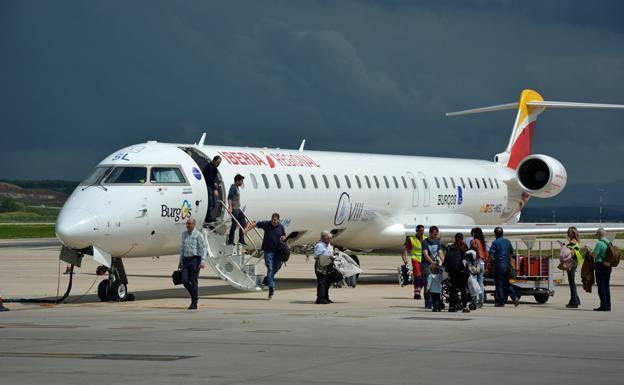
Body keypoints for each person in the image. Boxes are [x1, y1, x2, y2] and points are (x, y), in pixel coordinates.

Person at [248, 213, 287, 299]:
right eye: (272, 219)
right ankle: (271, 288)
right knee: (270, 269)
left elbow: (284, 235)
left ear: (278, 220)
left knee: (276, 269)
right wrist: (247, 230)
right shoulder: (266, 224)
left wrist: (283, 238)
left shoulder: (281, 227)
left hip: (277, 252)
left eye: (275, 220)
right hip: (268, 251)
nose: (273, 221)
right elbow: (255, 224)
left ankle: (266, 280)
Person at [179, 218, 207, 310]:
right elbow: (182, 248)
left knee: (193, 280)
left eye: (189, 224)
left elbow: (203, 249)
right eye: (187, 223)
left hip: (195, 260)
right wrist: (180, 261)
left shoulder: (198, 235)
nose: (188, 225)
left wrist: (202, 261)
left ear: (194, 225)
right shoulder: (184, 234)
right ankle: (195, 296)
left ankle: (194, 303)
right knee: (185, 280)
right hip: (186, 260)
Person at [489, 227, 520, 307]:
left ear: (495, 234)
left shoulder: (495, 243)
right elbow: (512, 252)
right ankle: (515, 298)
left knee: (499, 284)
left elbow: (491, 255)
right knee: (507, 283)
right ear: (502, 233)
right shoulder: (507, 241)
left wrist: (492, 265)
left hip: (499, 265)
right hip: (507, 265)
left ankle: (501, 302)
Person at [444, 233, 470, 313]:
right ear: (462, 239)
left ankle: (451, 307)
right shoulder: (464, 247)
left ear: (455, 239)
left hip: (452, 271)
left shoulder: (449, 247)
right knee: (463, 289)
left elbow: (446, 260)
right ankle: (465, 307)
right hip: (462, 271)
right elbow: (468, 259)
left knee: (453, 289)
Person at [422, 226, 445, 309]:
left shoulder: (437, 241)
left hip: (435, 264)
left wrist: (444, 261)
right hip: (426, 264)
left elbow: (440, 252)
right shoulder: (425, 242)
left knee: (436, 283)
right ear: (430, 233)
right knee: (428, 282)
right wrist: (432, 263)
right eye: (434, 234)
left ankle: (435, 301)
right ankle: (428, 302)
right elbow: (425, 254)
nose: (436, 235)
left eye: (437, 234)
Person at [402, 224, 425, 300]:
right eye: (420, 231)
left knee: (424, 277)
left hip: (424, 260)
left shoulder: (425, 239)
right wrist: (405, 259)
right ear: (417, 231)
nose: (422, 232)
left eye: (423, 231)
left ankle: (418, 290)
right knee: (417, 275)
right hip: (415, 259)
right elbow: (406, 249)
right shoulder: (411, 239)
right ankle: (416, 293)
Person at [592, 228, 612, 311]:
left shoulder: (599, 243)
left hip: (600, 265)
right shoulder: (609, 243)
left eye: (597, 235)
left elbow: (594, 255)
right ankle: (608, 305)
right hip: (608, 265)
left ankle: (603, 305)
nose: (596, 237)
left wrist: (589, 250)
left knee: (601, 286)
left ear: (599, 235)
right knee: (606, 286)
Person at [314, 231, 334, 304]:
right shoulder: (320, 245)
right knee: (322, 281)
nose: (329, 240)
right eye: (327, 238)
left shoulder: (328, 245)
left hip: (327, 264)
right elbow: (317, 255)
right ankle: (320, 298)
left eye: (330, 238)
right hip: (321, 265)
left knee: (327, 281)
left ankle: (326, 297)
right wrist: (328, 256)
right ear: (323, 238)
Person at [469, 227, 487, 306]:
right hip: (482, 263)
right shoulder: (483, 242)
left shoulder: (473, 241)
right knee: (480, 282)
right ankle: (481, 300)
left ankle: (476, 300)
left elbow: (471, 252)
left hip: (476, 264)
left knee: (474, 282)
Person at [227, 174, 246, 245]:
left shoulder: (237, 188)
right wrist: (230, 207)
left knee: (243, 223)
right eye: (241, 181)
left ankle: (241, 239)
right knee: (234, 225)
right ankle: (230, 241)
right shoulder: (233, 187)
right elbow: (229, 198)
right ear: (237, 180)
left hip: (238, 209)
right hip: (234, 209)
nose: (242, 182)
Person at [565, 227, 582, 308]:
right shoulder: (577, 241)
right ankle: (575, 300)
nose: (567, 233)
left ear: (572, 233)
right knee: (572, 283)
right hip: (575, 263)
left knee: (572, 284)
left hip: (571, 263)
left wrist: (565, 248)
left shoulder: (571, 242)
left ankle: (574, 302)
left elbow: (571, 254)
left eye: (569, 232)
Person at [202, 156, 222, 223]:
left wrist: (215, 183)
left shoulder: (214, 168)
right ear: (214, 160)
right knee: (211, 203)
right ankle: (208, 218)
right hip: (208, 186)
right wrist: (214, 188)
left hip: (211, 186)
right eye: (218, 162)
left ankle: (209, 217)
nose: (218, 164)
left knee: (212, 203)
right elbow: (209, 179)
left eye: (219, 163)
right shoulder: (209, 168)